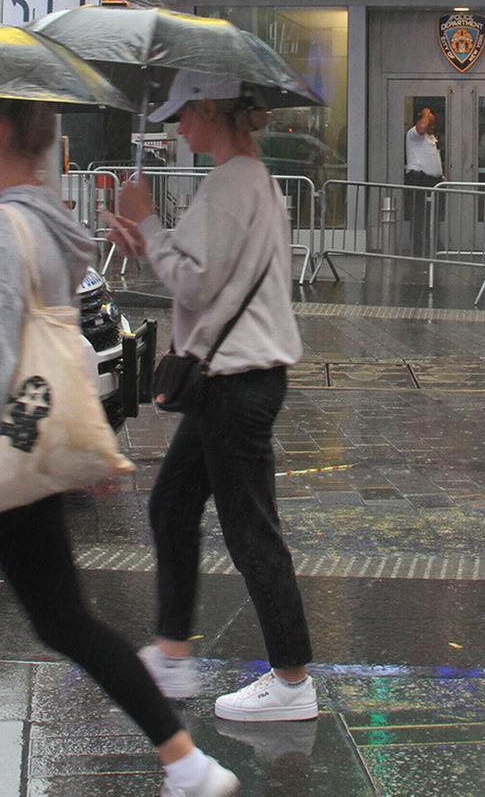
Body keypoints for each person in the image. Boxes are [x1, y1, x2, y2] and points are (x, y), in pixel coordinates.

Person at [0, 96, 238, 797]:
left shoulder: (0, 229)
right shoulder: (45, 224)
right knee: (67, 623)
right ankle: (187, 763)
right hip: (24, 459)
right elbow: (6, 324)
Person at [103, 72, 317, 725]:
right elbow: (211, 275)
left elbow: (193, 283)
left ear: (207, 110)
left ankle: (290, 678)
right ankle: (171, 651)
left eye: (182, 117)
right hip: (235, 375)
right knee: (171, 505)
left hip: (235, 380)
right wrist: (149, 241)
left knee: (251, 531)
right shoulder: (254, 179)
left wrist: (144, 220)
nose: (177, 130)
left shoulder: (229, 184)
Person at [404, 106, 443, 188]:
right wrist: (426, 113)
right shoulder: (414, 134)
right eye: (430, 124)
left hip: (434, 182)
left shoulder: (432, 137)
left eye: (434, 124)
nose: (432, 127)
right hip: (419, 180)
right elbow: (421, 128)